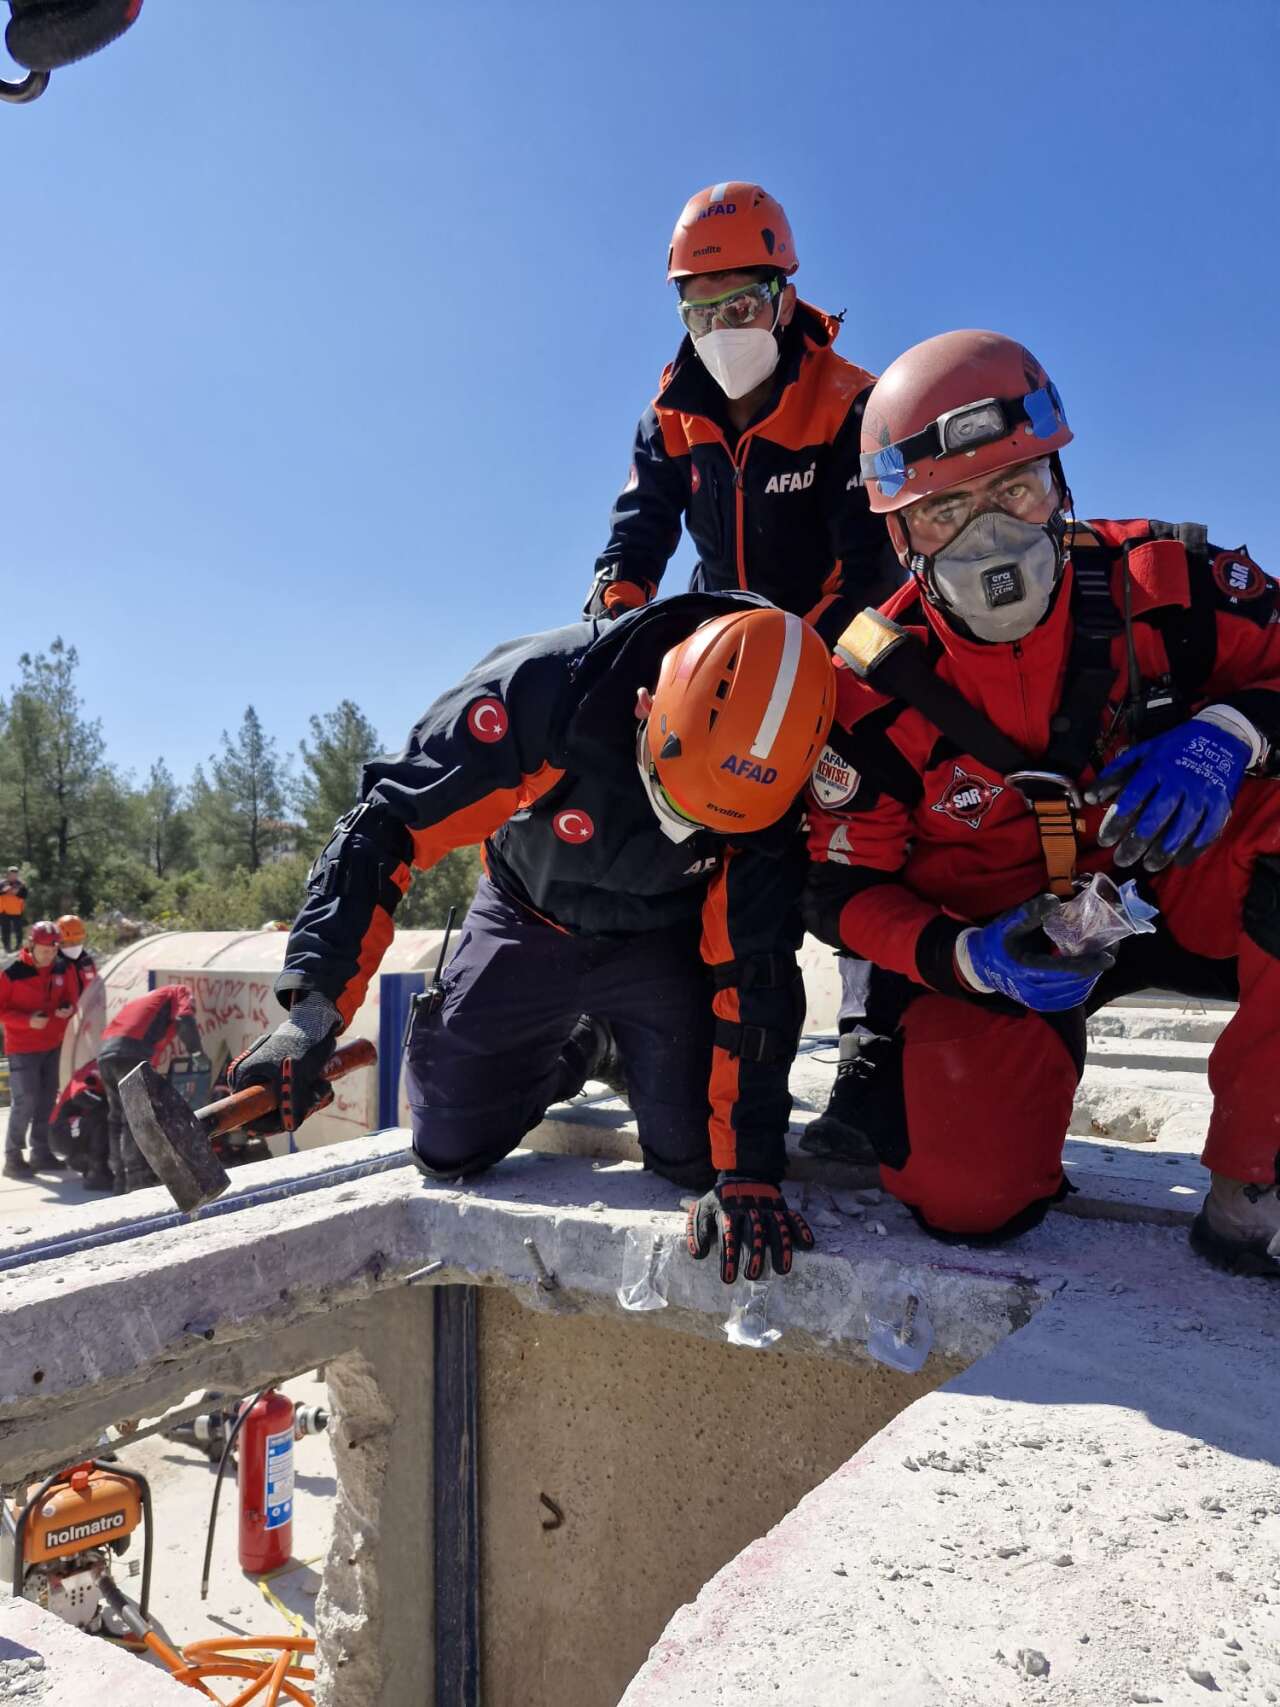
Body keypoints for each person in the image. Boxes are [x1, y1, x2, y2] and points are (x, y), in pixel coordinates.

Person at [802, 328, 1280, 1278]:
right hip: (1003, 948)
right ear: (898, 534)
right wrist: (960, 959)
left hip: (1175, 890)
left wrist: (1232, 732)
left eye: (1014, 489)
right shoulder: (864, 692)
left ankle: (1257, 1178)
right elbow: (833, 887)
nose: (993, 535)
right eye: (947, 509)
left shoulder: (1168, 589)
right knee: (967, 1199)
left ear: (1060, 481)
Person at [229, 595, 832, 1284]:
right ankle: (585, 1044)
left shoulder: (776, 800)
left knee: (696, 1158)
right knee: (448, 1140)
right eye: (669, 797)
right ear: (647, 704)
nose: (675, 830)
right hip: (526, 913)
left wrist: (748, 1168)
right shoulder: (545, 691)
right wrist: (313, 1010)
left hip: (662, 937)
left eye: (701, 826)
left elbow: (755, 969)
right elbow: (386, 825)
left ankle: (616, 1034)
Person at [583, 181, 897, 1116]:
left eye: (744, 304)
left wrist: (802, 658)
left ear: (786, 294)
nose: (724, 327)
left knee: (863, 826)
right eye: (701, 308)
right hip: (720, 645)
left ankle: (869, 1056)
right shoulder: (670, 415)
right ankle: (629, 1017)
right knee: (667, 807)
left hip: (840, 637)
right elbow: (637, 541)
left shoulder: (853, 404)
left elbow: (875, 561)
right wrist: (615, 624)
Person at [97, 982, 203, 1193]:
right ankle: (136, 1181)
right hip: (131, 1053)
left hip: (106, 1055)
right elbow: (185, 1017)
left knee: (117, 1118)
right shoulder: (179, 991)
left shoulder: (147, 999)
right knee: (135, 1118)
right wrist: (197, 1052)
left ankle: (119, 1179)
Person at [0, 918, 80, 1176]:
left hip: (53, 1045)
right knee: (25, 1101)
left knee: (47, 1100)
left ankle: (41, 1152)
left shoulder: (62, 968)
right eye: (45, 950)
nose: (49, 956)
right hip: (22, 1047)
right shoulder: (11, 972)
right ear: (31, 946)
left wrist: (68, 1009)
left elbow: (72, 997)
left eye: (54, 950)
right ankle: (13, 1158)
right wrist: (26, 1021)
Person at [48, 1060, 110, 1190]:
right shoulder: (93, 1070)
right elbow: (81, 1097)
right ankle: (96, 1173)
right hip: (61, 1131)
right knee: (104, 1112)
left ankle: (82, 1160)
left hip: (73, 1129)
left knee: (110, 1113)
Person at [55, 913, 98, 998]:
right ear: (60, 942)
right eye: (71, 942)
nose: (75, 946)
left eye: (78, 941)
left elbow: (95, 985)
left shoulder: (87, 961)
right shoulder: (54, 966)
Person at [0, 867, 27, 954]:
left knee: (18, 930)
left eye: (15, 874)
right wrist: (7, 890)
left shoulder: (22, 884)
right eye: (11, 874)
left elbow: (24, 895)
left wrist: (15, 891)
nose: (13, 876)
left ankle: (19, 946)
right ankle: (7, 947)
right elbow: (2, 891)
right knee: (5, 930)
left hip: (17, 910)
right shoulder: (2, 883)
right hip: (3, 910)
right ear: (8, 874)